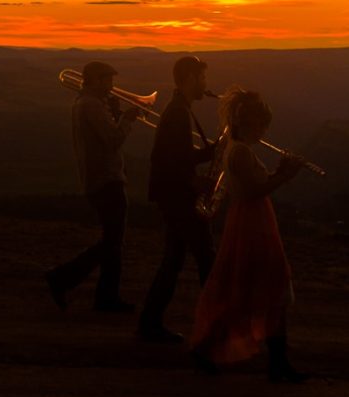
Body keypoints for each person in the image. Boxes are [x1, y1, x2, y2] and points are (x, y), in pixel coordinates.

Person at [189, 88, 307, 382]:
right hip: (253, 223)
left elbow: (256, 183)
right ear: (247, 123)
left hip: (250, 220)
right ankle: (276, 365)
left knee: (249, 289)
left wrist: (279, 171)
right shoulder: (240, 151)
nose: (264, 131)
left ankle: (274, 363)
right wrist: (287, 175)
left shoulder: (238, 148)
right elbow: (255, 190)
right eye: (260, 125)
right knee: (267, 287)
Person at [46, 61, 141, 313]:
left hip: (101, 177)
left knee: (112, 241)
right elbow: (113, 140)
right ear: (95, 81)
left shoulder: (89, 104)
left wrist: (117, 114)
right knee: (113, 241)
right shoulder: (90, 105)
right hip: (106, 178)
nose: (111, 86)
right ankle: (68, 280)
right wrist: (127, 120)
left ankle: (99, 293)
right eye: (107, 81)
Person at [138, 55, 220, 344]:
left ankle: (149, 323)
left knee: (173, 260)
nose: (206, 84)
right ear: (189, 79)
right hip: (180, 198)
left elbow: (181, 156)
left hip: (174, 196)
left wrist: (213, 151)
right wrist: (195, 182)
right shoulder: (178, 113)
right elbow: (171, 160)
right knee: (207, 258)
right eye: (202, 78)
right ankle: (215, 329)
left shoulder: (179, 110)